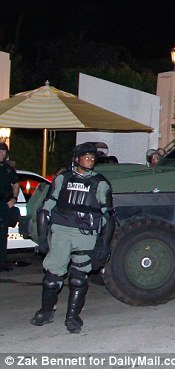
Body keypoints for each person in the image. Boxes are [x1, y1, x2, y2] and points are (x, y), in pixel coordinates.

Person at [30, 143, 115, 333]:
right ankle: (46, 311)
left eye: (93, 158)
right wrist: (43, 238)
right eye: (86, 157)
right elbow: (45, 208)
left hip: (86, 235)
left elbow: (109, 216)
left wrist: (105, 244)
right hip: (62, 232)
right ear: (76, 159)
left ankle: (73, 317)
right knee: (52, 278)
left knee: (79, 278)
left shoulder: (100, 183)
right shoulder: (63, 179)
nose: (90, 160)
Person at [1, 143, 19, 272]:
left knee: (2, 235)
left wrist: (14, 199)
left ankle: (1, 263)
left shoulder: (8, 169)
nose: (1, 154)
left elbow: (16, 184)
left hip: (4, 204)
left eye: (3, 151)